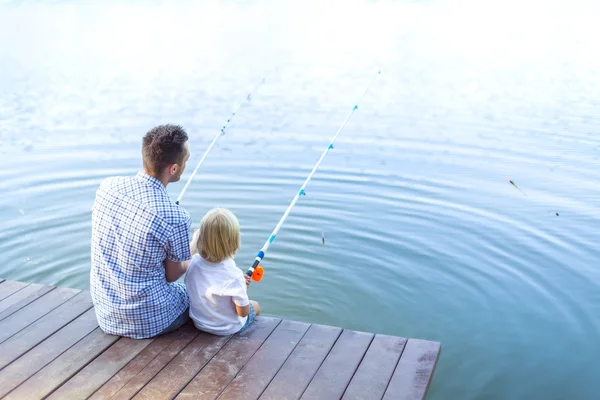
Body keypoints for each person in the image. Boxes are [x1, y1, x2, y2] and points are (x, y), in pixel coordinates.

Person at [90, 124, 197, 339]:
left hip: (106, 313)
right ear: (173, 169)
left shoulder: (107, 187)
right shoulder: (176, 218)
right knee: (202, 295)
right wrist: (194, 247)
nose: (187, 164)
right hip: (151, 321)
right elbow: (172, 275)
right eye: (186, 161)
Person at [185, 208, 261, 336]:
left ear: (201, 238)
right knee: (256, 306)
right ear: (234, 242)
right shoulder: (234, 275)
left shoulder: (191, 262)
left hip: (199, 323)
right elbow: (243, 312)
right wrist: (243, 288)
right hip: (227, 329)